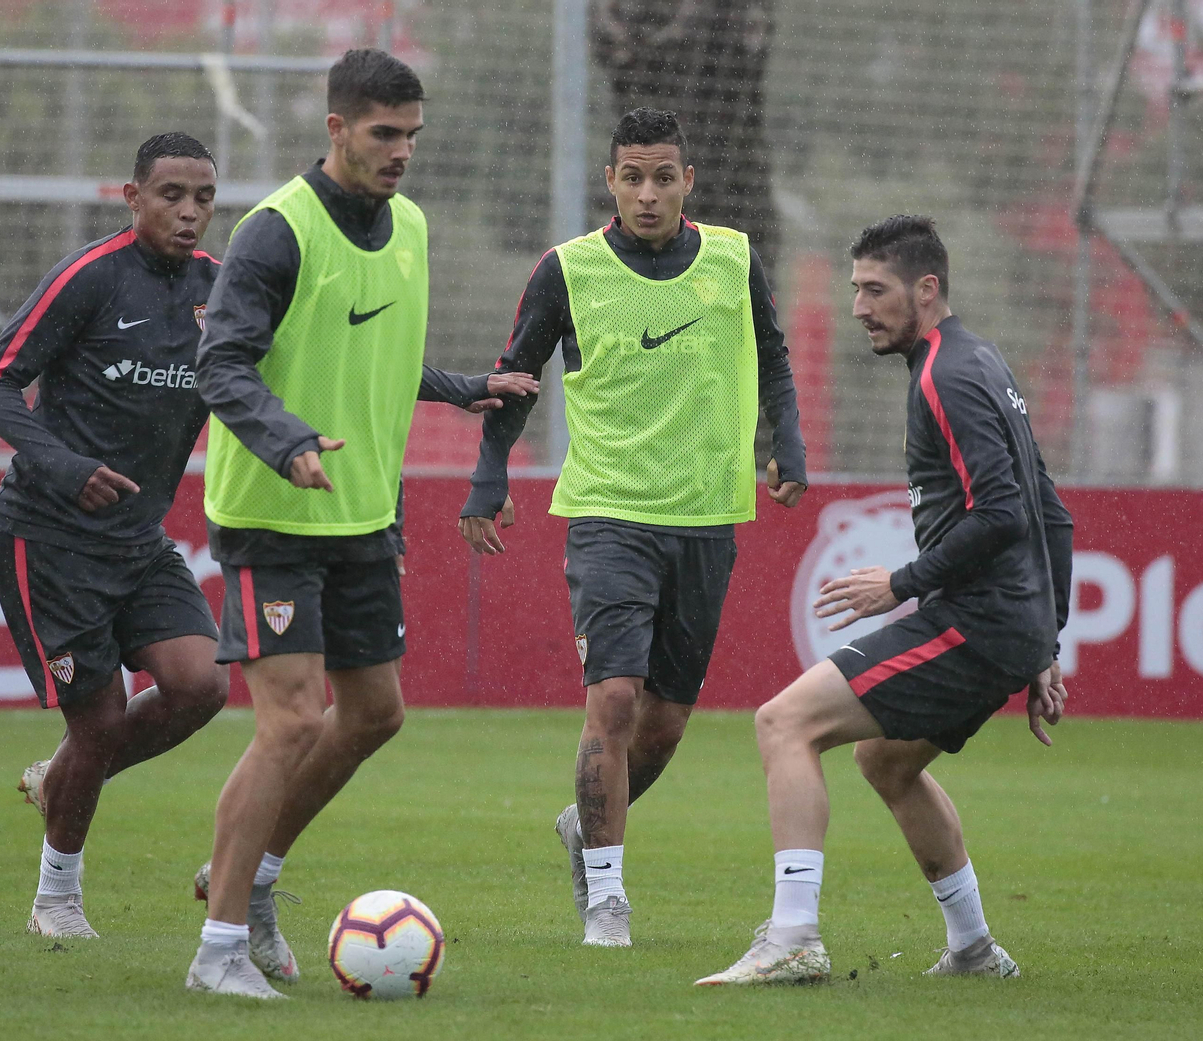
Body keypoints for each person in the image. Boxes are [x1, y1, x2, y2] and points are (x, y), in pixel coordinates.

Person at [185, 48, 538, 1000]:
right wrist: (285, 439)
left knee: (376, 712)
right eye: (385, 133)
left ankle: (251, 873)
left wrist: (464, 388)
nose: (401, 151)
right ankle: (217, 950)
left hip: (362, 515)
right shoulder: (276, 232)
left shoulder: (410, 225)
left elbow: (372, 351)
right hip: (272, 514)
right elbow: (221, 365)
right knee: (293, 719)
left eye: (412, 134)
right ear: (336, 128)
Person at [457, 108, 808, 948]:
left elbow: (773, 356)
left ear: (688, 182)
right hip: (609, 512)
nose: (648, 193)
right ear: (610, 182)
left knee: (665, 723)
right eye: (633, 177)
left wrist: (787, 441)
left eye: (663, 177)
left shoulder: (733, 258)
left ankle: (582, 825)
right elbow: (514, 376)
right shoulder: (567, 269)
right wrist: (488, 475)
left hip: (707, 515)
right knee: (614, 698)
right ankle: (608, 899)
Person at [696, 215, 1073, 987]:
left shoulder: (946, 377)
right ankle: (974, 950)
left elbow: (1004, 513)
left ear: (926, 289)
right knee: (887, 759)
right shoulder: (979, 359)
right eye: (856, 289)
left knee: (784, 721)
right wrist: (1047, 640)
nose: (859, 308)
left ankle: (793, 937)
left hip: (978, 622)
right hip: (1007, 624)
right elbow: (1051, 511)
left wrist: (900, 583)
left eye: (875, 290)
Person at [0, 133, 229, 940]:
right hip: (49, 535)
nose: (189, 212)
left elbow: (322, 363)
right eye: (171, 195)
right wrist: (64, 464)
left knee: (202, 685)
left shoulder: (219, 291)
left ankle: (62, 776)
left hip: (137, 539)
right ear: (133, 196)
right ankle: (56, 897)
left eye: (204, 198)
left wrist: (453, 387)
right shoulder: (91, 277)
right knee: (100, 720)